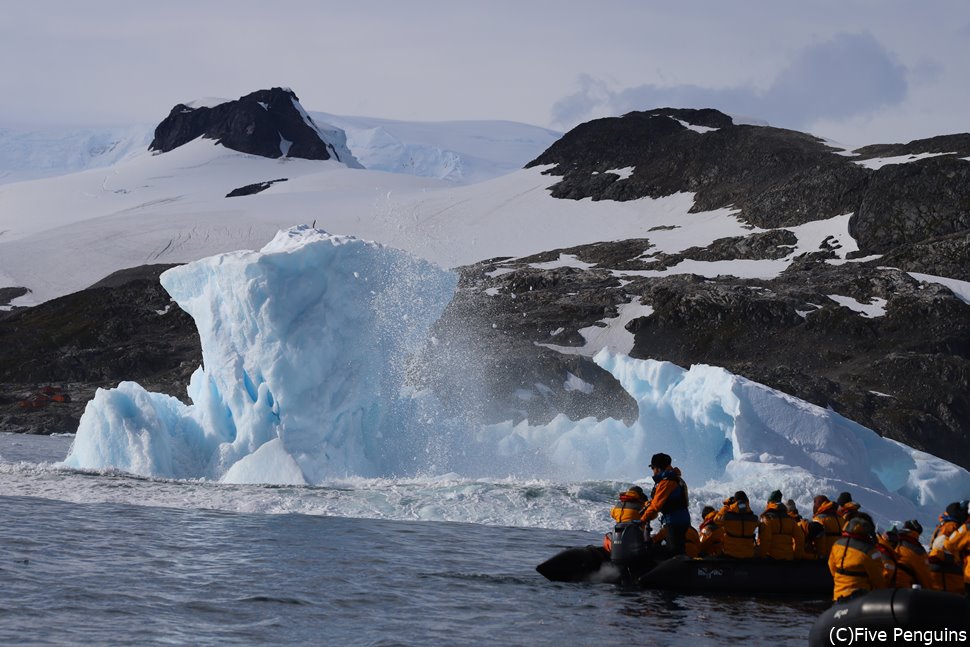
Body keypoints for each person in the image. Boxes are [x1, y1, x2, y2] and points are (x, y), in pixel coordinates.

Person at [639, 453, 691, 556]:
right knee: (675, 549)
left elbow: (655, 507)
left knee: (674, 552)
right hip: (680, 521)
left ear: (657, 468)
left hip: (675, 522)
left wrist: (641, 521)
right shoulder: (675, 478)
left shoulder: (667, 482)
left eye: (652, 468)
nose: (652, 471)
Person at [828, 513, 888, 602]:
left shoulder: (837, 545)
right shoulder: (870, 551)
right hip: (860, 600)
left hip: (838, 597)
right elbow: (879, 581)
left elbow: (832, 569)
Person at [758, 490, 804, 560]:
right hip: (789, 558)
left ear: (769, 503)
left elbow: (766, 539)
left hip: (771, 560)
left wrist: (761, 556)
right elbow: (800, 537)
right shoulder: (790, 519)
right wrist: (797, 556)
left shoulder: (767, 518)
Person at [715, 490, 758, 558]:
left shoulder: (727, 516)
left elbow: (716, 521)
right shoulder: (754, 518)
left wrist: (726, 506)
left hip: (730, 554)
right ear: (747, 501)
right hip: (748, 555)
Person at [894, 520, 932, 590]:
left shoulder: (894, 542)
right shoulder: (917, 550)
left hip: (890, 588)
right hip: (907, 592)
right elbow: (925, 576)